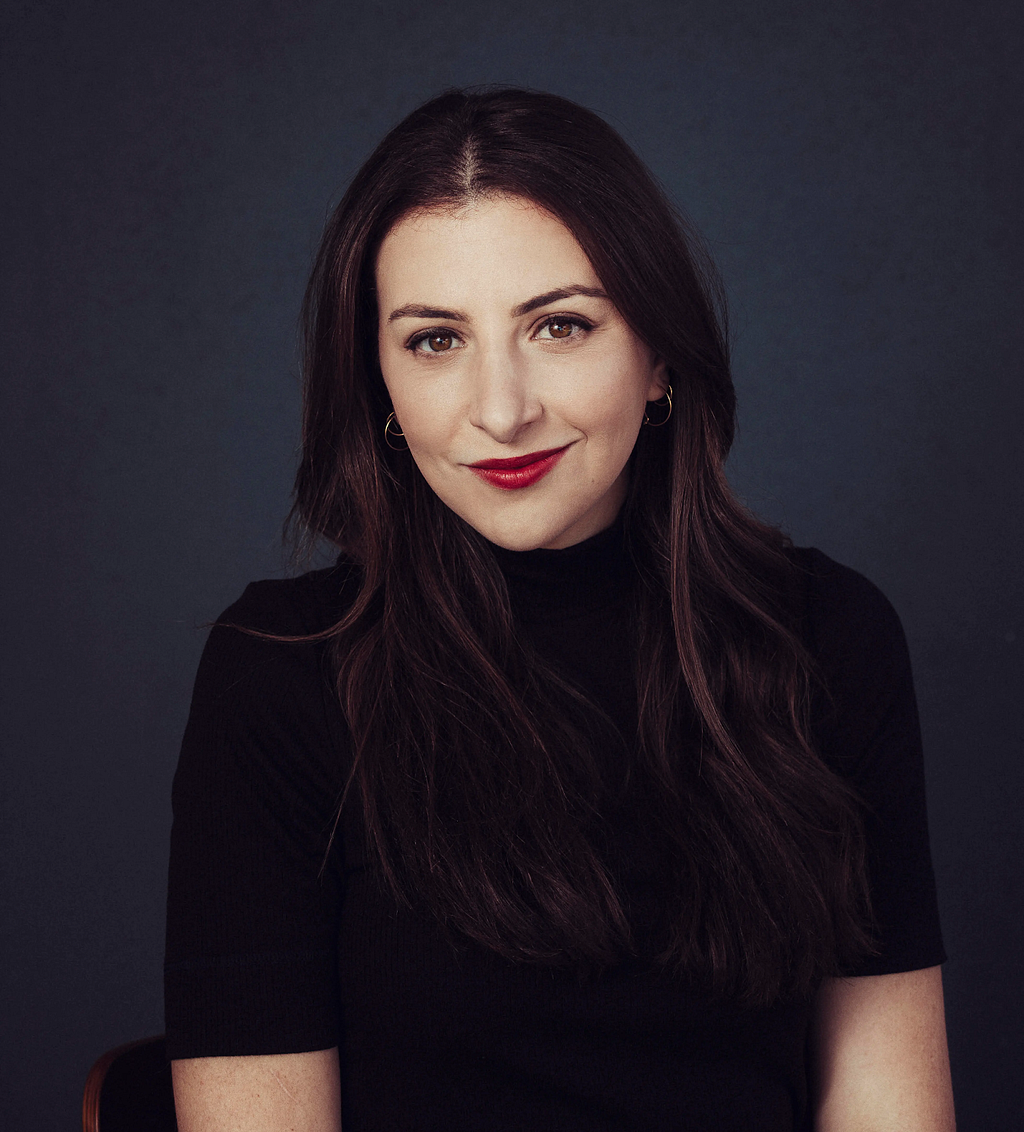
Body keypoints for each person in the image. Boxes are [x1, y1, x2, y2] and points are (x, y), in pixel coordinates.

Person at [164, 87, 955, 1131]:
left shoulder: (826, 636)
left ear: (659, 354)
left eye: (560, 325)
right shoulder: (282, 673)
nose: (502, 410)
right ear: (379, 382)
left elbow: (890, 1104)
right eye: (434, 340)